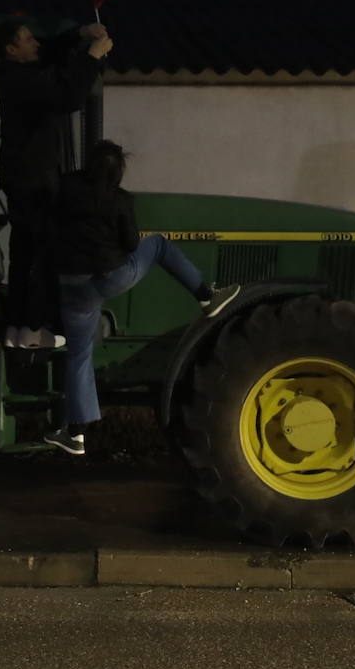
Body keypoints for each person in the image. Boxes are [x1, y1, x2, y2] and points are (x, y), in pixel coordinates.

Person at [44, 140, 241, 455]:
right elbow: (134, 244)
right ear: (119, 173)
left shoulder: (66, 187)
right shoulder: (121, 200)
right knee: (159, 245)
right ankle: (206, 296)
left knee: (79, 357)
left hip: (73, 285)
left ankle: (75, 435)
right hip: (109, 278)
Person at [0, 17, 113, 349]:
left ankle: (16, 328)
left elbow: (50, 49)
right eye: (27, 39)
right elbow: (70, 97)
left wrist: (82, 34)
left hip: (22, 175)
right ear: (11, 49)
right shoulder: (23, 80)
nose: (36, 43)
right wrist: (94, 56)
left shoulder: (12, 73)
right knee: (41, 255)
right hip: (34, 180)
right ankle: (34, 329)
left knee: (22, 253)